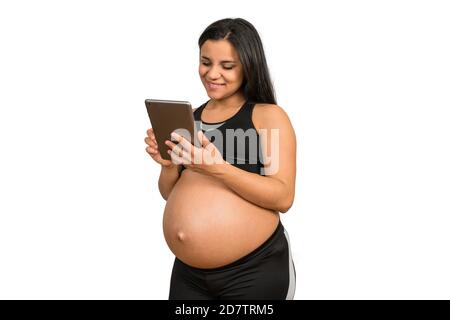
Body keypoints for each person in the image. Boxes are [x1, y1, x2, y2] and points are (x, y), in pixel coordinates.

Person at [144, 18, 297, 300]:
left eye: (227, 66)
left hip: (253, 271)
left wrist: (218, 169)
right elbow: (171, 194)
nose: (213, 74)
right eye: (205, 62)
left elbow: (283, 196)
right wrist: (167, 167)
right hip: (189, 275)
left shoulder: (267, 116)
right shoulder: (192, 119)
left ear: (248, 67)